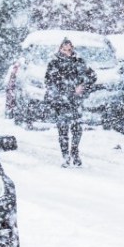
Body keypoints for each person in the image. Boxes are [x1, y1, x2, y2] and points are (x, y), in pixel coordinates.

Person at [44, 38, 98, 167]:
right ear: (60, 49)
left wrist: (83, 87)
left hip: (75, 101)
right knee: (63, 129)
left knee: (77, 128)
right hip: (60, 101)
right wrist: (59, 92)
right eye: (64, 49)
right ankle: (65, 156)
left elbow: (92, 77)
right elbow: (49, 81)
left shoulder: (79, 62)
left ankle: (74, 152)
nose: (67, 52)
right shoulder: (54, 63)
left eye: (69, 49)